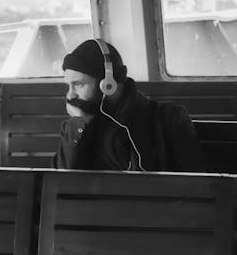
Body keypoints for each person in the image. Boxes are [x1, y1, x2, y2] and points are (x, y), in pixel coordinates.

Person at [52, 38, 207, 172]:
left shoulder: (169, 119)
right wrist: (79, 126)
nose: (70, 95)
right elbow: (60, 184)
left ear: (108, 84)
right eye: (68, 86)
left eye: (78, 84)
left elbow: (192, 184)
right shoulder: (74, 128)